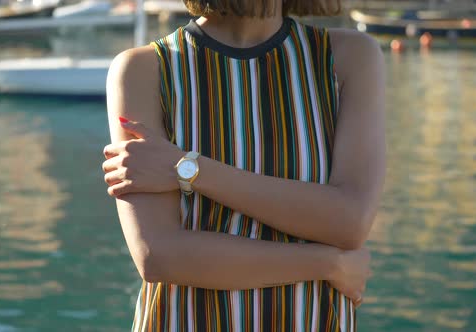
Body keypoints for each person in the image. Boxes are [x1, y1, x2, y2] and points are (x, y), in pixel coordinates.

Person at [102, 0, 385, 330]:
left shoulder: (348, 58)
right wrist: (327, 264)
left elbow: (350, 221)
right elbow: (159, 256)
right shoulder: (144, 70)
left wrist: (187, 169)